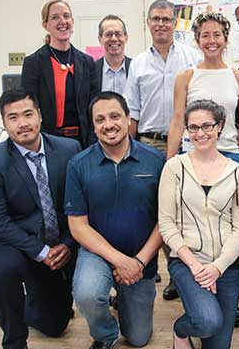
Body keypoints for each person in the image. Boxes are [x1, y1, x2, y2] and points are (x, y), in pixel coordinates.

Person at [0, 88, 81, 349]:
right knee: (4, 273)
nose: (22, 123)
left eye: (28, 114)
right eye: (13, 117)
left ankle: (0, 299)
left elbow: (80, 205)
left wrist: (68, 245)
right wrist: (42, 251)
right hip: (10, 243)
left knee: (54, 325)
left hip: (57, 245)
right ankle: (13, 338)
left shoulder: (69, 149)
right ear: (4, 123)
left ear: (40, 115)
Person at [66, 92, 165, 349]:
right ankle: (105, 335)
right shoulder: (78, 164)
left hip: (140, 258)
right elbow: (78, 226)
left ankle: (122, 300)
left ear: (128, 118)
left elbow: (165, 221)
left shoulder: (156, 161)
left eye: (114, 116)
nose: (108, 124)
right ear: (93, 126)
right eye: (100, 119)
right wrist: (120, 261)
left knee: (138, 338)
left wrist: (138, 261)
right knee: (87, 294)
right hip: (96, 254)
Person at [123, 0, 201, 300]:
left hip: (189, 142)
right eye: (155, 19)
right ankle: (160, 271)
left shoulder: (192, 57)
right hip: (151, 143)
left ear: (174, 23)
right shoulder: (138, 64)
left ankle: (184, 272)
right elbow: (133, 111)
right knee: (158, 209)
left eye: (166, 19)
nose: (161, 24)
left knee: (189, 209)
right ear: (148, 22)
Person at [159, 99, 239, 349]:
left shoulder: (237, 172)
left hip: (226, 266)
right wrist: (197, 267)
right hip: (187, 262)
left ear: (220, 127)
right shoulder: (174, 167)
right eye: (193, 127)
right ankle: (181, 331)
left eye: (207, 126)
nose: (200, 133)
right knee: (207, 321)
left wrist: (217, 268)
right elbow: (166, 223)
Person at [167, 11, 239, 168]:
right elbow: (178, 122)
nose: (211, 41)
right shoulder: (185, 77)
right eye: (205, 35)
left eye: (217, 35)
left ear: (226, 40)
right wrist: (170, 163)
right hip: (193, 153)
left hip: (228, 153)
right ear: (198, 41)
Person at [21, 0, 99, 149]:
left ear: (73, 21)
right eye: (55, 17)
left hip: (84, 143)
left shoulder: (87, 62)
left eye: (66, 16)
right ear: (46, 25)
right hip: (48, 142)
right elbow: (28, 108)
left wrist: (92, 142)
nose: (62, 21)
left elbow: (94, 106)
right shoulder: (34, 63)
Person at [95, 14, 132, 94]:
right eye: (109, 34)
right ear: (100, 39)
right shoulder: (91, 70)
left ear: (126, 38)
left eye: (118, 34)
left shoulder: (136, 68)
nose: (114, 38)